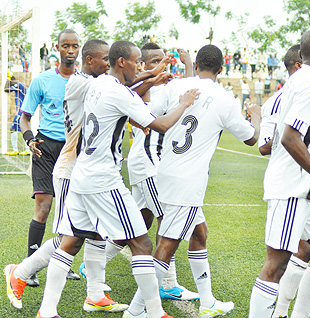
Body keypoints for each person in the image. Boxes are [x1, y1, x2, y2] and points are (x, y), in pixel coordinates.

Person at [33, 40, 199, 318]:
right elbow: (160, 124)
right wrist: (184, 103)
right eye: (137, 62)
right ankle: (155, 312)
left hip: (81, 175)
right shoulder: (120, 93)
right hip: (103, 180)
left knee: (71, 242)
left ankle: (47, 311)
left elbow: (126, 95)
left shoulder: (97, 84)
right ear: (122, 62)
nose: (140, 67)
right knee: (143, 244)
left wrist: (151, 77)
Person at [126, 44, 261, 318]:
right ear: (221, 70)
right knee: (166, 246)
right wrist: (256, 117)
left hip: (164, 172)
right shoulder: (225, 99)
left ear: (196, 65)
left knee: (200, 233)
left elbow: (145, 111)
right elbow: (251, 138)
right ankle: (136, 310)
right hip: (187, 183)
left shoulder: (177, 87)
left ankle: (208, 301)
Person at [4, 39, 130, 312]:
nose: (108, 65)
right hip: (70, 167)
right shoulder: (82, 82)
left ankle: (95, 295)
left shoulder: (88, 81)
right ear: (90, 59)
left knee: (96, 232)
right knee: (69, 237)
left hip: (84, 167)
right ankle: (21, 273)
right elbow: (121, 87)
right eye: (105, 60)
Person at [249, 29, 310, 317]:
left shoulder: (297, 81)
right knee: (275, 265)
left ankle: (292, 313)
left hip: (301, 189)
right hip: (292, 186)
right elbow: (289, 137)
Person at [126, 42, 199, 302]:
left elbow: (191, 91)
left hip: (147, 163)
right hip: (148, 163)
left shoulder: (161, 87)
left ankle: (95, 261)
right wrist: (183, 69)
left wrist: (186, 65)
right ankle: (168, 283)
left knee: (139, 219)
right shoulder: (144, 92)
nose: (162, 64)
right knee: (168, 218)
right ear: (142, 66)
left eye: (164, 60)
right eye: (155, 61)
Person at [20, 29, 81, 287]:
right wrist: (29, 138)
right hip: (45, 147)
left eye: (75, 46)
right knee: (44, 207)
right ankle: (30, 266)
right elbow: (25, 116)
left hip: (73, 149)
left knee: (69, 211)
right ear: (57, 48)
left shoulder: (85, 81)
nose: (70, 50)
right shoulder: (42, 80)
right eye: (65, 45)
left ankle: (62, 262)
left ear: (79, 49)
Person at [4, 76, 29, 156]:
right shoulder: (20, 85)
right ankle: (26, 149)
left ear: (12, 81)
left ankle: (17, 150)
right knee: (22, 129)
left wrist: (7, 80)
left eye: (11, 83)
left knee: (13, 129)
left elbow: (6, 89)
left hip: (21, 111)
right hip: (22, 110)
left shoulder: (18, 84)